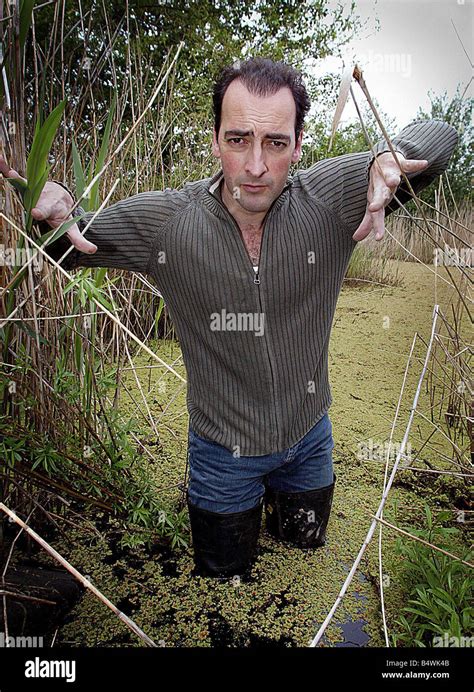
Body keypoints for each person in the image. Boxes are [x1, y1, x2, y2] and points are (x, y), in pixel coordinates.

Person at [1, 58, 458, 579]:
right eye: (239, 139)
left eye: (276, 143)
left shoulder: (333, 198)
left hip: (310, 442)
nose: (256, 165)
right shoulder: (168, 224)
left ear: (299, 145)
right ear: (216, 140)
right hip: (222, 457)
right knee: (224, 578)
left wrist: (394, 154)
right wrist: (48, 208)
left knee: (306, 558)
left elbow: (443, 137)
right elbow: (70, 245)